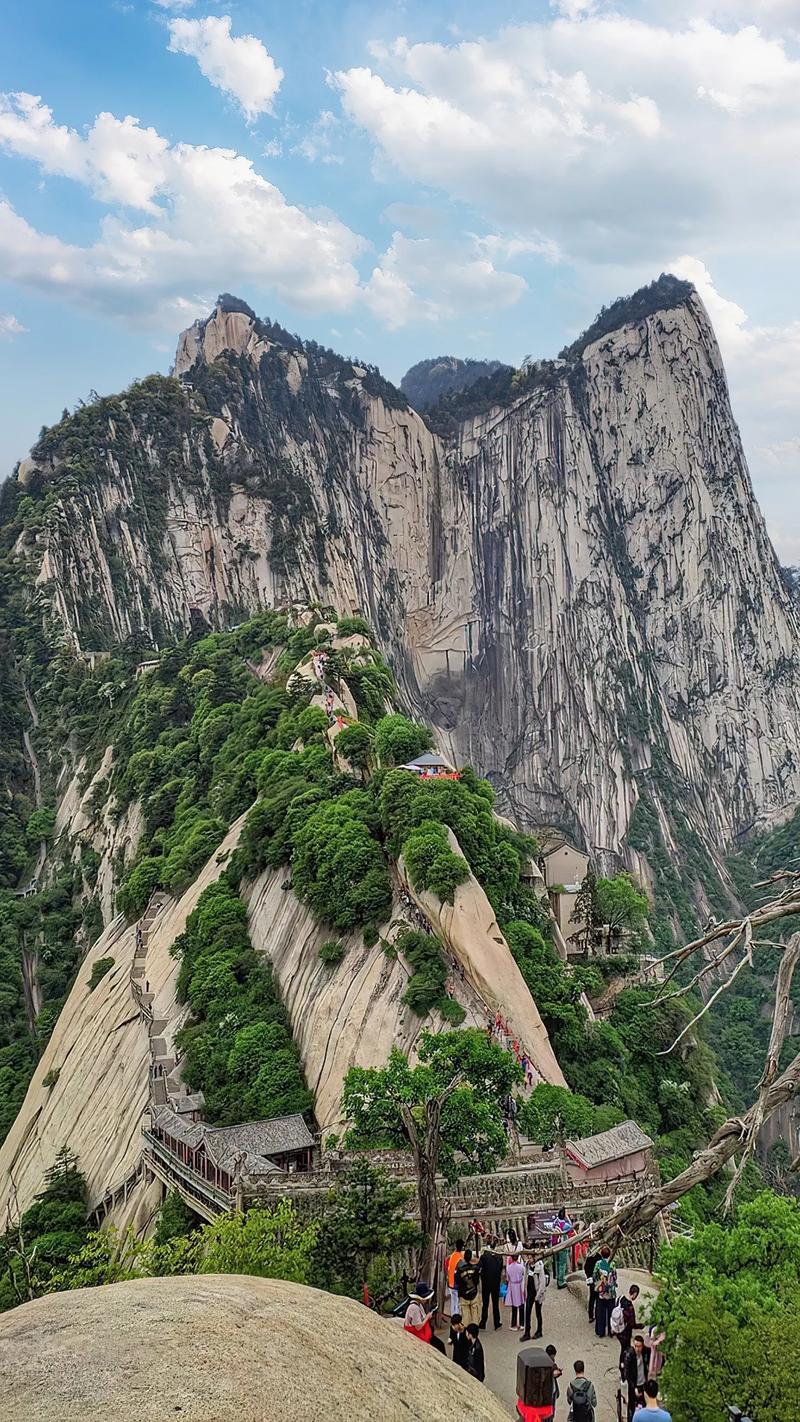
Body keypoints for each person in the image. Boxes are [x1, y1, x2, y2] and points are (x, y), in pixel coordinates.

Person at [403, 1281, 446, 1355]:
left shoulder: (419, 1305)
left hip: (424, 1332)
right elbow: (418, 1327)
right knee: (440, 1346)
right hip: (419, 1334)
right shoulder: (414, 1308)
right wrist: (428, 1317)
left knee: (440, 1345)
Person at [621, 1335, 650, 1421]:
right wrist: (633, 1388)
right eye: (636, 1346)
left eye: (639, 1346)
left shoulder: (645, 1352)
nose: (637, 1349)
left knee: (644, 1405)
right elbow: (627, 1374)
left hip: (643, 1383)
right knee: (632, 1406)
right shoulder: (630, 1355)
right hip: (634, 1384)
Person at [478, 1236, 504, 1330]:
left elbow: (479, 1268)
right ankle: (496, 1323)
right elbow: (501, 1269)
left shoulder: (484, 1256)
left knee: (485, 1304)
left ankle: (483, 1323)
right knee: (495, 1303)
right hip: (496, 1283)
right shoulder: (499, 1257)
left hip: (486, 1283)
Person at [592, 1247, 618, 1337]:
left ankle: (600, 1331)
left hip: (601, 1291)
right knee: (611, 1313)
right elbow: (615, 1276)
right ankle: (611, 1331)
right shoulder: (612, 1264)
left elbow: (594, 1275)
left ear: (601, 1254)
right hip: (611, 1292)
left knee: (600, 1312)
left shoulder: (598, 1264)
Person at [521, 1251, 547, 1340]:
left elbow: (542, 1283)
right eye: (528, 1257)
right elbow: (525, 1278)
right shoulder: (527, 1266)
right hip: (529, 1293)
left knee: (538, 1313)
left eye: (530, 1257)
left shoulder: (539, 1266)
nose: (529, 1259)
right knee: (527, 1311)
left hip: (538, 1294)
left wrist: (538, 1295)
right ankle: (527, 1332)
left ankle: (539, 1331)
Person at [455, 1248, 482, 1328]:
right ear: (471, 1258)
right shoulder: (475, 1269)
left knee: (465, 1318)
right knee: (475, 1316)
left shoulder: (460, 1270)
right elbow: (477, 1281)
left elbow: (457, 1281)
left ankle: (466, 1333)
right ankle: (474, 1332)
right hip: (474, 1294)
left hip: (464, 1296)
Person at [612, 1283, 640, 1357]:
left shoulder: (621, 1298)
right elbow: (632, 1324)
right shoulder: (630, 1307)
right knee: (625, 1349)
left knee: (623, 1348)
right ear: (634, 1294)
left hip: (617, 1329)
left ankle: (622, 1364)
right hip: (625, 1332)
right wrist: (640, 1326)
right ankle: (623, 1365)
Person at [552, 1208, 574, 1289]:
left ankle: (558, 1278)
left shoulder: (555, 1222)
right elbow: (571, 1227)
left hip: (555, 1244)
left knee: (557, 1262)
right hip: (562, 1245)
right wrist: (567, 1217)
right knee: (562, 1263)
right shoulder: (565, 1225)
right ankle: (561, 1282)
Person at [444, 1237, 465, 1317]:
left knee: (453, 1301)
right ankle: (456, 1318)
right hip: (458, 1283)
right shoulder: (461, 1258)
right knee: (458, 1302)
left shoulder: (450, 1257)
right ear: (462, 1247)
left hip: (450, 1282)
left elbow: (446, 1267)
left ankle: (454, 1316)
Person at [505, 1254, 526, 1329]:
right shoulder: (521, 1267)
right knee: (521, 1305)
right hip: (520, 1285)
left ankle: (513, 1324)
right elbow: (524, 1275)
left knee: (514, 1306)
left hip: (512, 1286)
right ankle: (522, 1324)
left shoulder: (508, 1268)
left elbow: (507, 1279)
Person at [584, 1249, 599, 1323]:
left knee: (592, 1298)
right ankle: (597, 1314)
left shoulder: (589, 1258)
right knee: (598, 1298)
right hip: (598, 1281)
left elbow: (585, 1268)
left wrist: (588, 1276)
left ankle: (591, 1315)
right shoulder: (599, 1257)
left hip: (591, 1280)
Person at [546, 1345, 562, 1413]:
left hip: (551, 1393)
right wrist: (557, 1373)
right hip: (550, 1393)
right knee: (550, 1411)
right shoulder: (550, 1364)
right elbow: (554, 1373)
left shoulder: (546, 1362)